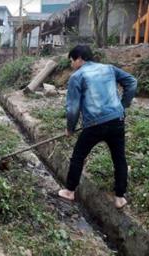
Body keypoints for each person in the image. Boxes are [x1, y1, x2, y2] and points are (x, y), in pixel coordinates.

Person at [58, 45, 137, 209]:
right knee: (119, 158)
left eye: (72, 61)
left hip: (94, 125)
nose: (72, 65)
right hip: (117, 121)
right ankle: (120, 198)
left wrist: (70, 128)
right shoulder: (109, 69)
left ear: (79, 58)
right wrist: (122, 106)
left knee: (78, 156)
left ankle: (70, 191)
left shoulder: (77, 76)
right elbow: (132, 82)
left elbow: (72, 108)